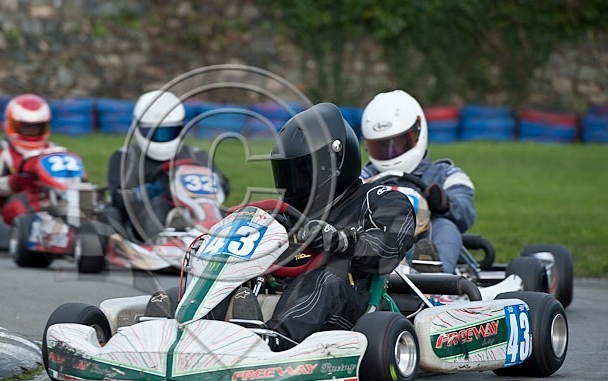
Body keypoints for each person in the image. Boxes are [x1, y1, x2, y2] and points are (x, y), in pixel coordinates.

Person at [144, 102, 416, 351]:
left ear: (333, 164)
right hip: (278, 290)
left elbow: (389, 247)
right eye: (289, 173)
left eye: (303, 172)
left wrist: (340, 240)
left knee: (323, 279)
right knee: (227, 279)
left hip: (348, 301)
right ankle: (178, 334)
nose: (295, 182)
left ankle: (271, 342)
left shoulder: (380, 199)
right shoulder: (285, 214)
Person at [360, 89, 475, 273]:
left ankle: (436, 276)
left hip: (422, 240)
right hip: (376, 239)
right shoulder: (364, 177)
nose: (390, 153)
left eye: (398, 143)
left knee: (446, 226)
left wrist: (445, 203)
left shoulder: (445, 174)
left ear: (418, 131)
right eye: (381, 147)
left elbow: (466, 211)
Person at [106, 89, 229, 240]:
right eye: (153, 132)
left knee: (224, 210)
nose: (161, 138)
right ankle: (163, 240)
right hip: (146, 222)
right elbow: (117, 200)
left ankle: (218, 237)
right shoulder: (124, 157)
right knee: (157, 203)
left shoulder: (197, 155)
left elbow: (224, 187)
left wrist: (216, 185)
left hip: (195, 213)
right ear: (138, 127)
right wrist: (149, 190)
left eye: (169, 132)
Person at [0, 93, 61, 225]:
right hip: (15, 200)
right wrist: (17, 181)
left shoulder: (55, 150)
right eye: (26, 126)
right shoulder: (1, 150)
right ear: (12, 125)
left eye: (37, 126)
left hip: (51, 198)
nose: (32, 130)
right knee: (22, 208)